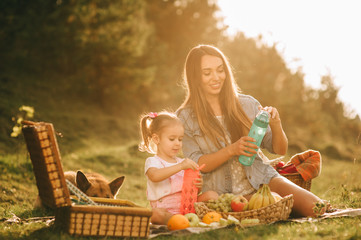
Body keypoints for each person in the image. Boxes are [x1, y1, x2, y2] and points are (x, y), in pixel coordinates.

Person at [176, 44, 325, 217]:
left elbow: (279, 149)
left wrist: (276, 125)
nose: (216, 77)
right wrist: (232, 150)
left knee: (317, 208)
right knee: (271, 211)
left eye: (220, 70)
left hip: (262, 179)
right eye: (207, 73)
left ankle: (275, 207)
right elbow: (197, 164)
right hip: (221, 193)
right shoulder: (185, 117)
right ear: (195, 77)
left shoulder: (248, 104)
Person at [139, 111, 218, 224]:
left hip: (188, 207)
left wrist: (198, 185)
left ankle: (188, 220)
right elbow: (155, 176)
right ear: (156, 139)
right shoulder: (153, 161)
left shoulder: (183, 163)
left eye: (180, 139)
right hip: (166, 211)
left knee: (212, 195)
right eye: (172, 139)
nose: (177, 143)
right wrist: (180, 166)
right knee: (155, 214)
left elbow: (193, 191)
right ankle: (180, 221)